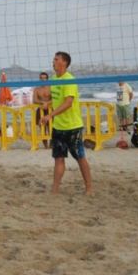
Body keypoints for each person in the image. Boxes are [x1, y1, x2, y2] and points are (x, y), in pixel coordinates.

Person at [39, 52, 93, 195]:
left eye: (56, 59)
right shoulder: (54, 79)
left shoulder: (69, 79)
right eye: (53, 59)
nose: (53, 61)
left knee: (80, 158)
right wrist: (48, 104)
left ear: (64, 62)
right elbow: (59, 99)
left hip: (73, 127)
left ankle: (89, 188)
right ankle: (55, 190)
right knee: (58, 159)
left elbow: (68, 102)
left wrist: (49, 115)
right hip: (58, 127)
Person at [32, 72, 52, 148]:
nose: (43, 79)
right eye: (41, 78)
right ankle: (46, 146)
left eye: (44, 78)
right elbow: (34, 100)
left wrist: (47, 103)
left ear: (47, 79)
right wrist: (43, 102)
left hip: (50, 110)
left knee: (51, 128)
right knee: (42, 128)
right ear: (39, 79)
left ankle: (51, 144)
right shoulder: (37, 89)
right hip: (40, 110)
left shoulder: (51, 88)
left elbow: (54, 99)